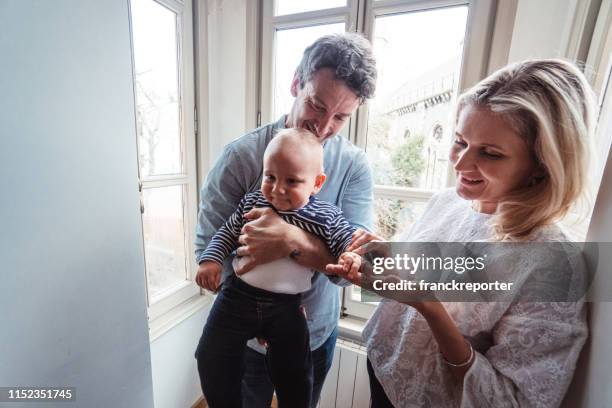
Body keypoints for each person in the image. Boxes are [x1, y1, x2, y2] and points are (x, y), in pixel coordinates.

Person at [327, 59, 595, 407]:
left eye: (490, 153)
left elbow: (511, 401)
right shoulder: (447, 202)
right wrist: (384, 255)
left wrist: (429, 307)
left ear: (542, 164)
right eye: (460, 141)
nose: (461, 164)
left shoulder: (553, 265)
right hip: (382, 375)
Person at [194, 32, 377, 407]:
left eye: (341, 116)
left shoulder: (354, 167)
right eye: (316, 104)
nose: (324, 126)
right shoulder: (241, 157)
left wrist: (290, 240)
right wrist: (257, 312)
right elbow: (210, 244)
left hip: (314, 332)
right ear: (296, 83)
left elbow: (355, 269)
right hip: (245, 338)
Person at [195, 129, 359, 408]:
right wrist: (209, 260)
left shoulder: (324, 215)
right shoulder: (252, 202)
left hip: (287, 307)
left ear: (317, 183)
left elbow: (347, 239)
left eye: (292, 181)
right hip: (237, 297)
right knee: (211, 356)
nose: (277, 189)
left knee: (296, 374)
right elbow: (224, 233)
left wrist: (351, 257)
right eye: (270, 177)